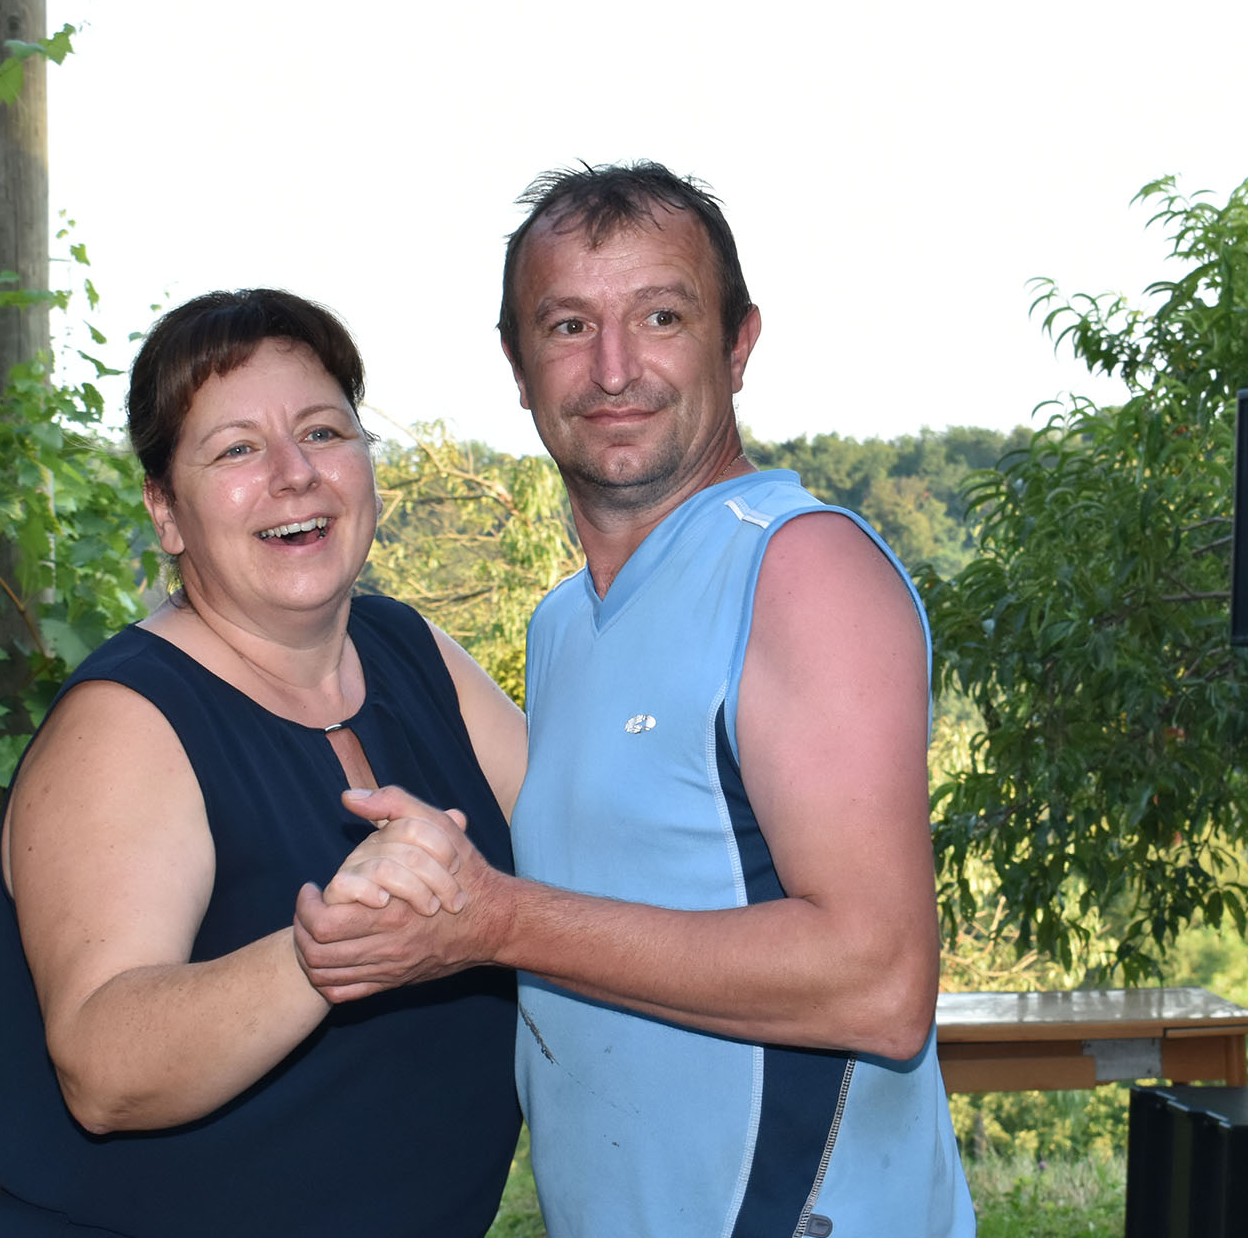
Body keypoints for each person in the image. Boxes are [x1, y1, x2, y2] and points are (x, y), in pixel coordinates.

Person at [293, 164, 976, 1236]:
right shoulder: (565, 623)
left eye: (662, 316)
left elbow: (879, 985)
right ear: (518, 367)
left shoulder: (799, 569)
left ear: (738, 344)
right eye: (569, 325)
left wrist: (497, 921)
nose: (614, 368)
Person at [0, 289, 527, 1237]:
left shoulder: (416, 655)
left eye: (322, 432)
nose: (294, 474)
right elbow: (104, 1069)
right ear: (166, 511)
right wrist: (330, 950)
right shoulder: (126, 723)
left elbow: (590, 863)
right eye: (237, 449)